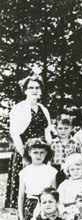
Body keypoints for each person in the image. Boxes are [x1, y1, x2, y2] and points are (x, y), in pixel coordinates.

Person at [6, 74, 52, 208]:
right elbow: (15, 135)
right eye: (30, 87)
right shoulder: (18, 109)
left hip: (41, 155)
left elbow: (47, 132)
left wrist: (48, 156)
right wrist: (25, 158)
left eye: (37, 87)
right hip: (24, 154)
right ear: (25, 90)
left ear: (41, 91)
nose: (34, 90)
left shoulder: (43, 109)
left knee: (42, 191)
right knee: (24, 193)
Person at [11, 138, 57, 220]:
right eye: (35, 152)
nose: (38, 155)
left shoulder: (51, 171)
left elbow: (55, 193)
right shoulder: (25, 172)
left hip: (46, 203)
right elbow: (21, 196)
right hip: (30, 205)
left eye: (42, 152)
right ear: (29, 153)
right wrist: (21, 217)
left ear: (46, 154)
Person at [51, 114, 82, 186]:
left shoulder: (75, 143)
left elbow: (80, 159)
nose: (63, 131)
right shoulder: (52, 143)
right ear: (56, 128)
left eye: (66, 128)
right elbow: (49, 160)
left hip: (71, 171)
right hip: (56, 171)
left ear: (71, 128)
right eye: (60, 128)